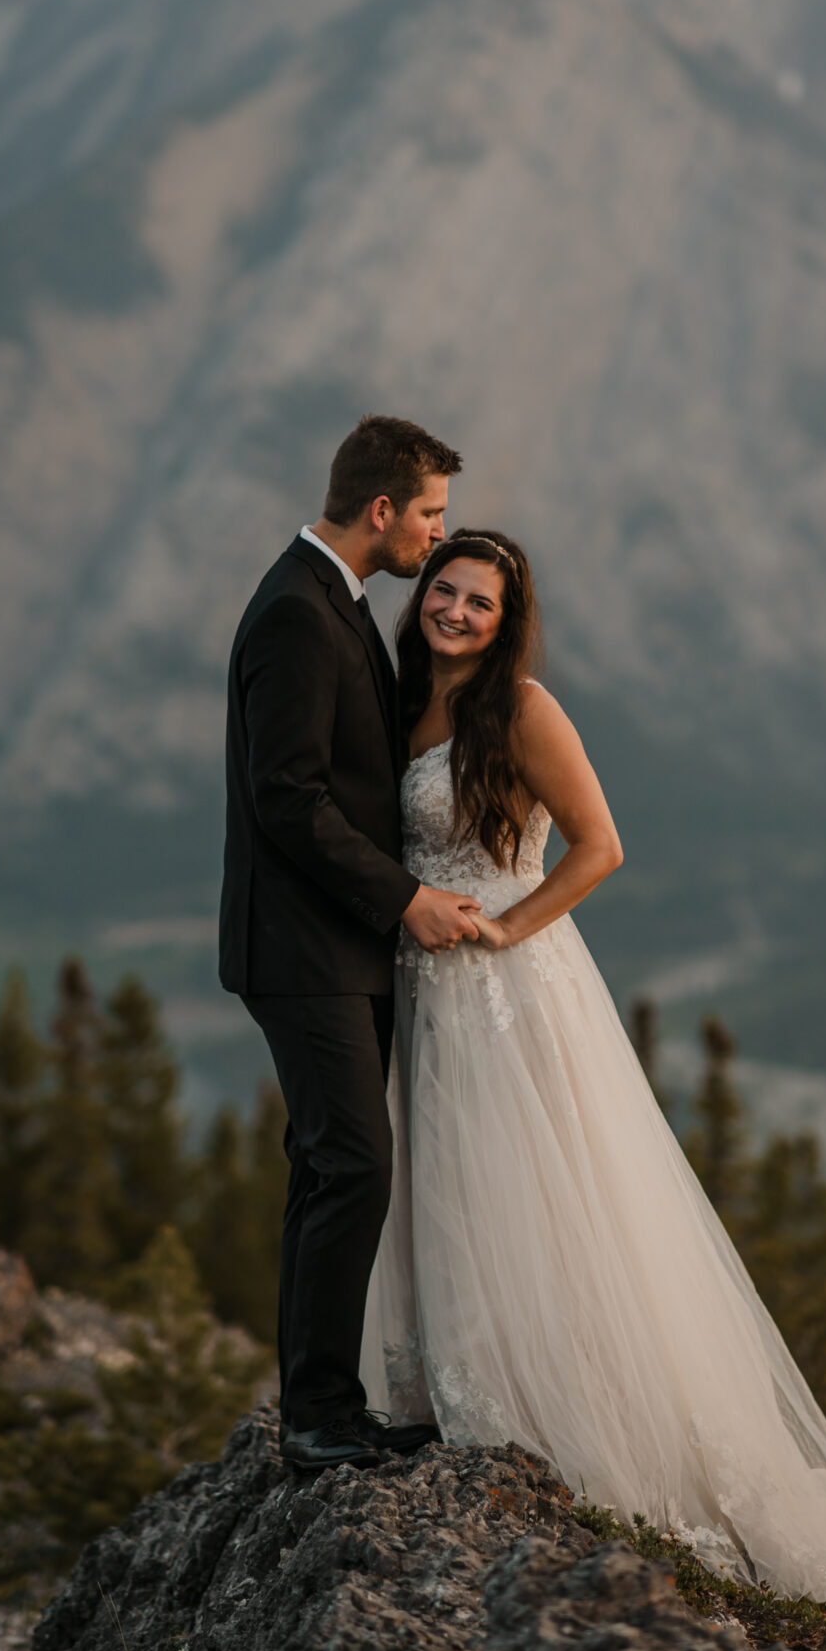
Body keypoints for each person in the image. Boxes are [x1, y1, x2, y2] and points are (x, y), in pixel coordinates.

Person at [360, 529, 826, 1651]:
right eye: (444, 591)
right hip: (426, 991)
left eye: (479, 600)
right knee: (454, 1195)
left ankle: (582, 1434)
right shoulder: (407, 695)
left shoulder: (518, 707)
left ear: (508, 616)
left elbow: (602, 843)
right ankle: (469, 1400)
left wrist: (509, 925)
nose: (455, 610)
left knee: (548, 1197)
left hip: (512, 987)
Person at [219, 416, 484, 1472]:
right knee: (353, 1166)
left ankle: (321, 1402)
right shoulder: (295, 609)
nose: (433, 535)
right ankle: (321, 1420)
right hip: (303, 949)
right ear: (382, 509)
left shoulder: (330, 596)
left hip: (338, 945)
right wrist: (405, 896)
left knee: (325, 1167)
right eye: (428, 514)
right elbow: (286, 798)